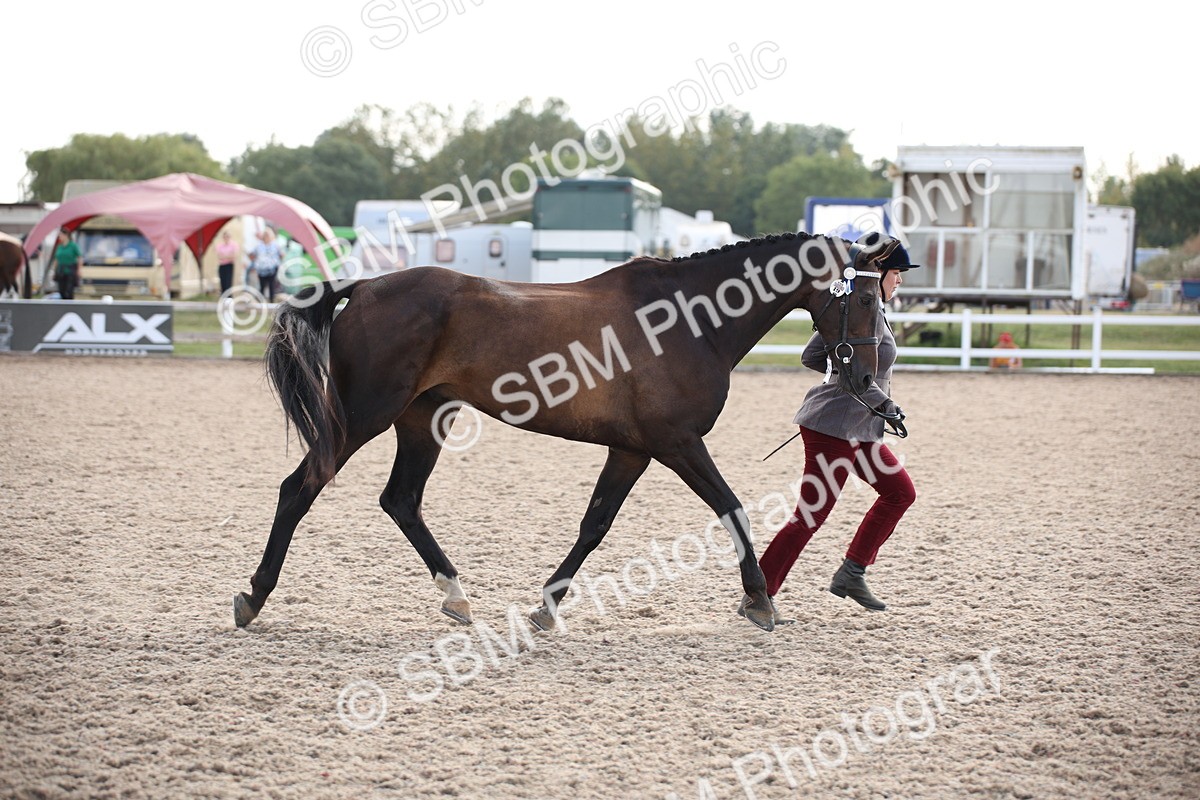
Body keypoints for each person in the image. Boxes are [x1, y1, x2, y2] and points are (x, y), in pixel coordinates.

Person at [745, 233, 919, 622]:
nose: (901, 281)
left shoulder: (871, 310)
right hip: (833, 427)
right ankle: (758, 594)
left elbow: (815, 356)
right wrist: (880, 399)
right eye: (898, 273)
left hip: (862, 429)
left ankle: (852, 572)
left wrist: (847, 372)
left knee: (899, 492)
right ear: (879, 271)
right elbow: (819, 357)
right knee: (811, 514)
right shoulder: (858, 311)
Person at [248, 228, 284, 301]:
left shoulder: (275, 245)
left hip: (272, 268)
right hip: (261, 269)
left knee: (272, 285)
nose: (267, 237)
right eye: (266, 235)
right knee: (262, 286)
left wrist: (277, 261)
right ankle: (261, 301)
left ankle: (271, 300)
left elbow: (281, 254)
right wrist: (255, 262)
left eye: (268, 235)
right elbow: (251, 254)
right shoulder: (259, 246)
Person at [50, 230, 83, 300]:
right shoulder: (60, 247)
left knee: (69, 290)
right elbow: (56, 259)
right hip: (60, 271)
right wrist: (54, 270)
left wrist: (79, 269)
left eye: (61, 235)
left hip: (70, 270)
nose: (60, 237)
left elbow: (79, 257)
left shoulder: (73, 246)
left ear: (66, 235)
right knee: (61, 290)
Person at [214, 229, 239, 296]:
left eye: (228, 236)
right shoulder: (220, 245)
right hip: (222, 266)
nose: (226, 238)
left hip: (229, 265)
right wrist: (228, 256)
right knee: (223, 283)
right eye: (225, 236)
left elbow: (234, 256)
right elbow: (219, 256)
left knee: (228, 283)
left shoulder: (234, 245)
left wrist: (225, 256)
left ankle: (229, 298)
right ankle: (223, 298)